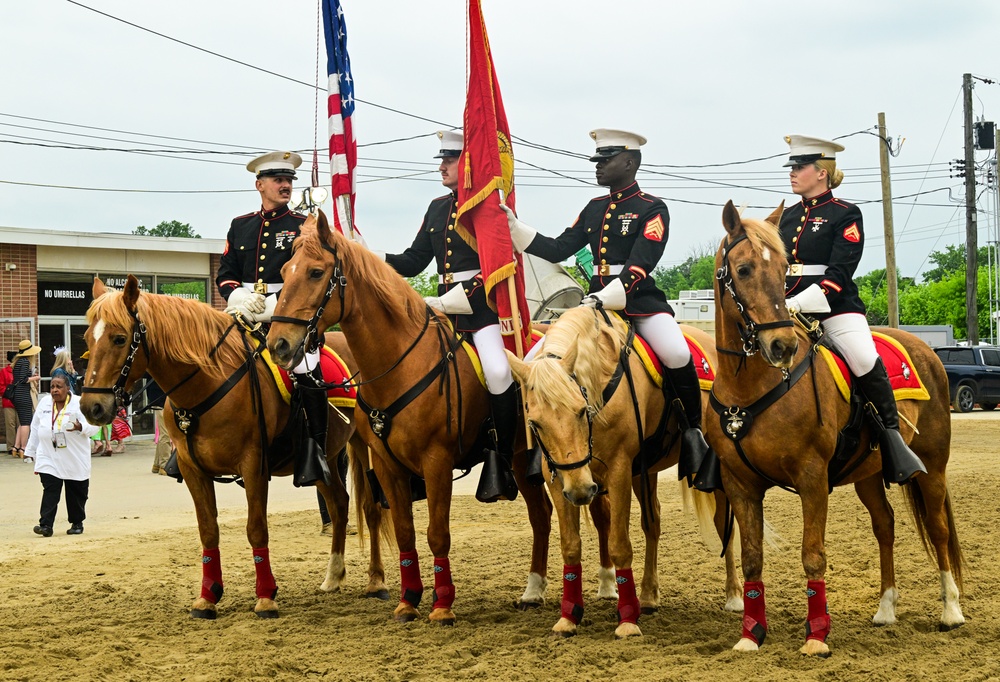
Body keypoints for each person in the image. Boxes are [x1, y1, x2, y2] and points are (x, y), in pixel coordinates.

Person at [502, 129, 715, 490]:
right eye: (597, 161)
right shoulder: (594, 208)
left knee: (678, 352)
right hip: (593, 306)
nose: (598, 167)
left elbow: (640, 265)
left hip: (639, 304)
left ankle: (694, 434)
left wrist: (608, 295)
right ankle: (536, 446)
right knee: (535, 363)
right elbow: (557, 249)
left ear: (629, 162)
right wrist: (512, 226)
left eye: (606, 160)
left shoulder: (652, 208)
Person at [379, 130, 518, 503]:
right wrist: (372, 255)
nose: (441, 166)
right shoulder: (437, 208)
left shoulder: (488, 207)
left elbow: (496, 267)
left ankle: (501, 459)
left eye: (450, 160)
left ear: (468, 163)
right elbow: (412, 262)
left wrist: (451, 300)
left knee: (499, 371)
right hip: (441, 311)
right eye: (441, 159)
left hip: (480, 311)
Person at [779, 135, 926, 486]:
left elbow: (840, 274)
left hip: (834, 309)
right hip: (785, 309)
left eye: (800, 167)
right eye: (793, 167)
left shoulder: (845, 214)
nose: (793, 173)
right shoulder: (786, 217)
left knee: (862, 358)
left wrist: (799, 302)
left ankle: (891, 438)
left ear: (822, 172)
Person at [215, 150, 330, 488]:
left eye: (289, 180)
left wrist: (271, 306)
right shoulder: (240, 225)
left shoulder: (302, 225)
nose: (285, 185)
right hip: (242, 314)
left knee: (308, 373)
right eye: (278, 180)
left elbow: (305, 277)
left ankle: (315, 451)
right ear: (259, 185)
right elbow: (225, 273)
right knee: (205, 358)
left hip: (289, 318)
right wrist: (238, 297)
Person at [25, 373, 100, 536]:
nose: (54, 390)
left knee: (76, 492)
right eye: (52, 386)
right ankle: (45, 525)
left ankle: (76, 522)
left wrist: (81, 427)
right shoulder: (44, 403)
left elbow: (96, 425)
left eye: (59, 386)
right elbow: (36, 427)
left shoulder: (80, 403)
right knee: (50, 489)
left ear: (68, 388)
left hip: (74, 456)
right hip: (48, 455)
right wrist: (30, 451)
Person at [11, 340, 42, 460]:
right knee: (26, 423)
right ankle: (24, 448)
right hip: (23, 394)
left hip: (17, 395)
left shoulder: (18, 362)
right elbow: (24, 379)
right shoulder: (25, 362)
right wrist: (36, 377)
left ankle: (16, 447)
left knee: (22, 422)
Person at [1, 351, 17, 455]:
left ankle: (20, 445)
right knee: (10, 424)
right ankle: (11, 446)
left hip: (20, 401)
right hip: (8, 401)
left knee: (21, 424)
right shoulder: (4, 371)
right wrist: (9, 392)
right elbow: (1, 386)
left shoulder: (20, 370)